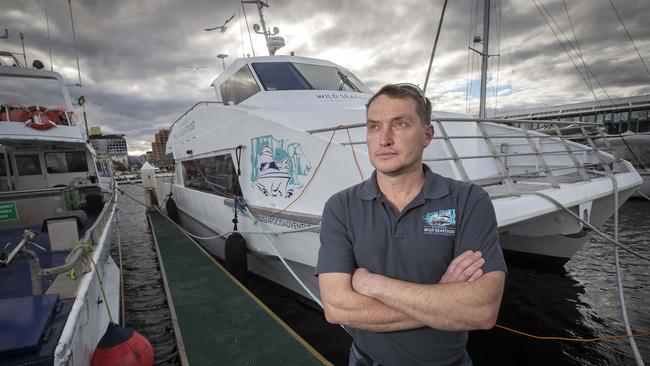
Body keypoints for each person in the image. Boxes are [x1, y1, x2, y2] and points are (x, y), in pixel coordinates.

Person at [316, 83, 507, 366]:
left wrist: (373, 284)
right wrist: (444, 301)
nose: (384, 140)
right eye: (373, 127)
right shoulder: (340, 207)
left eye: (400, 124)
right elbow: (336, 307)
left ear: (427, 134)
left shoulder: (468, 200)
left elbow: (481, 310)